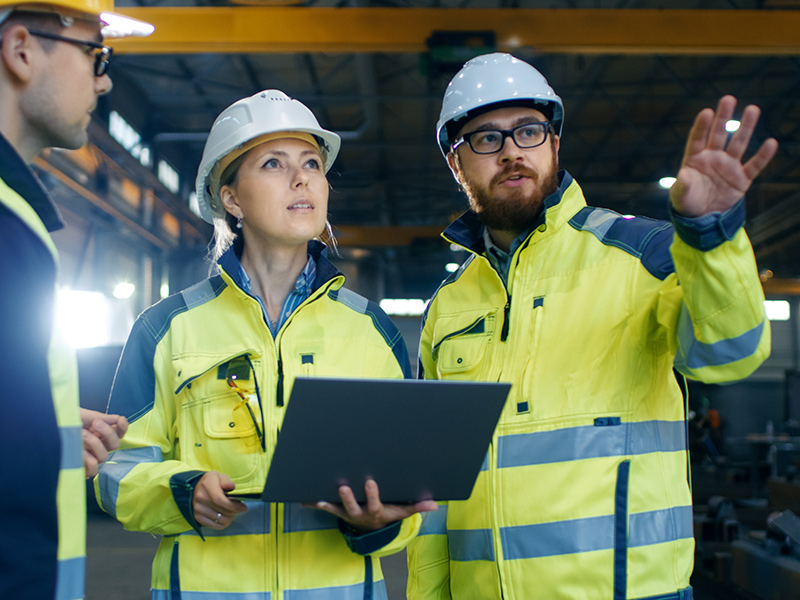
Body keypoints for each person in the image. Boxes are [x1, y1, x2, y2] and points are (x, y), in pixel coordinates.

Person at [407, 52, 778, 600]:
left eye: (528, 131)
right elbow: (433, 486)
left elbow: (732, 353)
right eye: (486, 139)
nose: (511, 152)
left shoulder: (643, 254)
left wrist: (710, 236)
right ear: (456, 165)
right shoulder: (449, 306)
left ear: (554, 144)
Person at [95, 89, 437, 599]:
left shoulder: (371, 330)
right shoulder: (166, 327)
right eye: (274, 163)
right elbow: (116, 471)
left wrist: (381, 520)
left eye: (312, 164)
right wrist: (181, 491)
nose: (301, 179)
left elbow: (404, 488)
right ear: (231, 198)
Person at [0, 2, 151, 598]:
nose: (104, 79)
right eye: (96, 55)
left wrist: (44, 430)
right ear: (20, 50)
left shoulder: (17, 217)